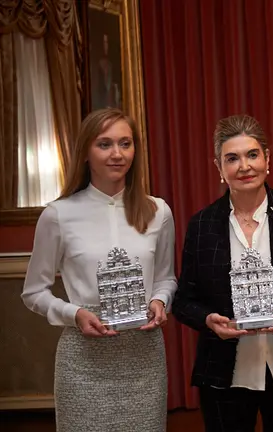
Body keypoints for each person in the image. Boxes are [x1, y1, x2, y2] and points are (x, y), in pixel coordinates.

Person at [172, 114, 273, 432]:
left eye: (252, 155)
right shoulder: (202, 225)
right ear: (219, 167)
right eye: (232, 158)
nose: (244, 166)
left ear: (267, 159)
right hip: (224, 371)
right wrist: (209, 320)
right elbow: (183, 301)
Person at [21, 108, 176, 431]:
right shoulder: (58, 215)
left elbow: (165, 278)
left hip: (143, 358)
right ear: (85, 152)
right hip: (83, 360)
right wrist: (74, 313)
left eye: (125, 143)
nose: (117, 154)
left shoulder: (158, 211)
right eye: (104, 144)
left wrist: (160, 301)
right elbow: (33, 292)